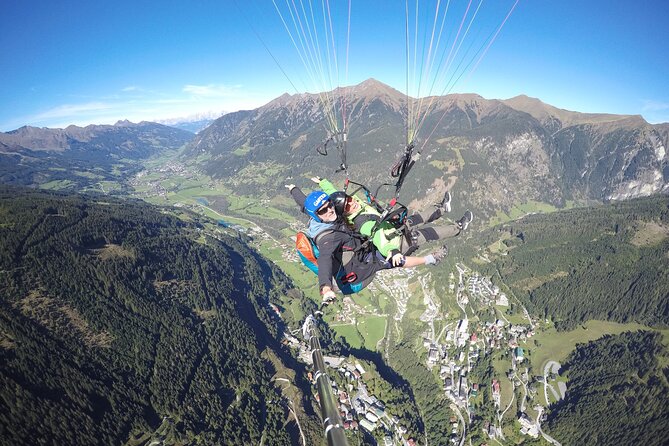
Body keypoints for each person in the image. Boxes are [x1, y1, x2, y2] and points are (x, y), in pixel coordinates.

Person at [286, 185, 448, 304]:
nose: (330, 210)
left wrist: (294, 189)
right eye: (323, 210)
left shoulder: (318, 213)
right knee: (392, 259)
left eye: (329, 204)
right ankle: (431, 259)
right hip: (356, 275)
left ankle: (437, 214)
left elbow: (304, 202)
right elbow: (325, 260)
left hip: (355, 249)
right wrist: (326, 288)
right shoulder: (327, 239)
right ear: (317, 216)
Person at [312, 176, 473, 260]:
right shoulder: (361, 223)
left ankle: (442, 209)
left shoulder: (353, 204)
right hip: (397, 244)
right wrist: (392, 252)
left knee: (414, 220)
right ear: (345, 213)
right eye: (347, 206)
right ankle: (458, 228)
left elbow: (335, 195)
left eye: (350, 199)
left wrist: (323, 183)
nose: (352, 202)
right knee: (426, 234)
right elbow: (378, 238)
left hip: (392, 228)